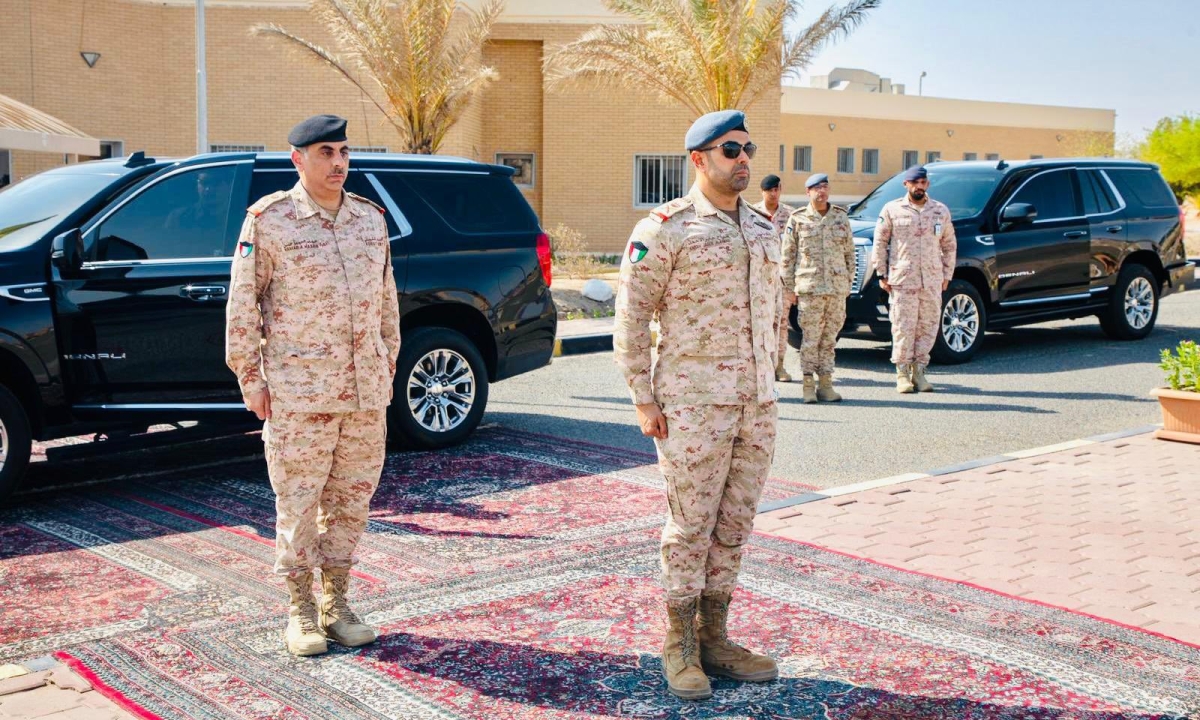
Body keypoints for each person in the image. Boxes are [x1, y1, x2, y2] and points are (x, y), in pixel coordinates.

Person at [614, 109, 781, 701]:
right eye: (730, 150)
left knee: (734, 525)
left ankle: (716, 637)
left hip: (756, 405)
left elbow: (772, 312)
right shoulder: (666, 228)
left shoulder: (763, 228)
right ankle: (679, 644)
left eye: (747, 148)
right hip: (693, 406)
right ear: (698, 159)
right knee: (690, 527)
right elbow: (632, 318)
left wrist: (772, 380)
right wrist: (643, 397)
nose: (743, 159)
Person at [225, 114, 401, 657]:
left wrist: (388, 364)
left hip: (365, 395)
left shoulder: (370, 219)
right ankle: (300, 610)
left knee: (352, 503)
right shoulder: (270, 220)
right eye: (326, 152)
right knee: (298, 504)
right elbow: (242, 304)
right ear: (297, 159)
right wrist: (250, 378)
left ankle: (337, 606)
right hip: (300, 395)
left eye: (344, 151)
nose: (338, 162)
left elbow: (387, 302)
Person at [871, 165, 956, 393]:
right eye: (915, 182)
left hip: (931, 279)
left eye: (923, 182)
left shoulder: (939, 210)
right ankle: (902, 373)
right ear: (906, 184)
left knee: (928, 325)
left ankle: (919, 371)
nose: (919, 186)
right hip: (903, 279)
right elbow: (880, 242)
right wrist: (881, 273)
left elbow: (949, 245)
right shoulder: (892, 209)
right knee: (903, 326)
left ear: (927, 184)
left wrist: (947, 274)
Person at [782, 173, 855, 403]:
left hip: (836, 290)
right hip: (810, 289)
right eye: (816, 188)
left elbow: (849, 254)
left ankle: (825, 385)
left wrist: (847, 284)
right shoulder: (798, 219)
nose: (821, 191)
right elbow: (787, 257)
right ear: (808, 192)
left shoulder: (840, 217)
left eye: (825, 187)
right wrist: (789, 288)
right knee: (810, 339)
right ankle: (807, 385)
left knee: (829, 339)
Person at [749, 174, 797, 382]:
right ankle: (761, 366)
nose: (774, 194)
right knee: (759, 323)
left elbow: (797, 248)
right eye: (770, 190)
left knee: (781, 323)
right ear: (762, 192)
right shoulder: (752, 214)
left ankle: (779, 366)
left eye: (777, 190)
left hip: (783, 280)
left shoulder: (790, 215)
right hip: (760, 280)